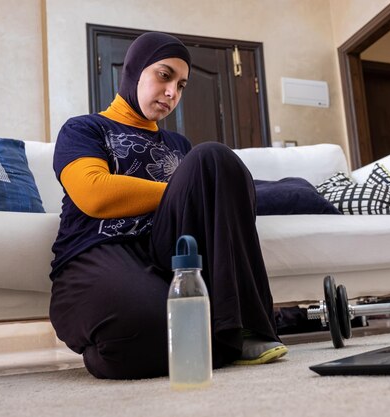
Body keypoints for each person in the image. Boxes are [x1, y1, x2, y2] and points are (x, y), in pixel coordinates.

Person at [49, 32, 287, 380]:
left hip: (168, 252)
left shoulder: (179, 145)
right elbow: (94, 193)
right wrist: (181, 192)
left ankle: (244, 331)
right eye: (164, 75)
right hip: (98, 249)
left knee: (214, 156)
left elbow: (205, 206)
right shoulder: (85, 129)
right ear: (133, 71)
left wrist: (194, 192)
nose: (172, 92)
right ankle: (216, 341)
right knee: (141, 324)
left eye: (182, 85)